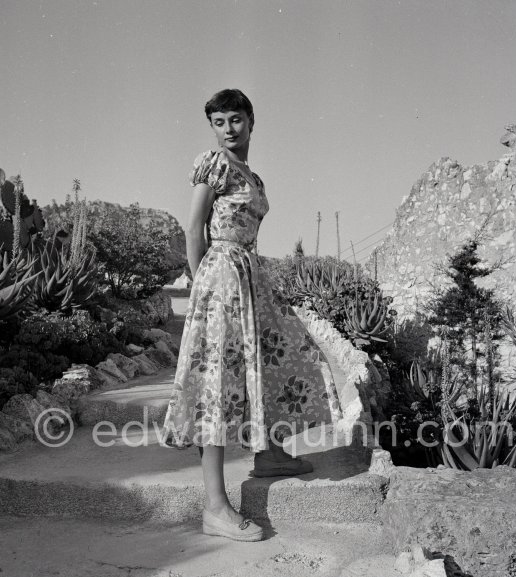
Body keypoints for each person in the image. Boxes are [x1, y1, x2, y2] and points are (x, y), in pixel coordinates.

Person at [160, 89, 343, 542]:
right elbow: (193, 226)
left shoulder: (252, 176)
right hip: (222, 276)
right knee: (218, 383)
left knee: (279, 358)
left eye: (235, 119)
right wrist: (204, 277)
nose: (228, 129)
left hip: (250, 275)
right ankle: (216, 507)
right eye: (219, 121)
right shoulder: (214, 163)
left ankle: (269, 453)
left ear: (251, 121)